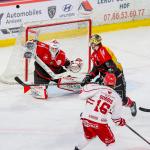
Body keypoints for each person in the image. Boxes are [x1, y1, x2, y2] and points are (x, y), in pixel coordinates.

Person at [81, 34, 137, 116]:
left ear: (96, 43)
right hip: (106, 79)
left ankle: (131, 104)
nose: (91, 45)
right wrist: (89, 76)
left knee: (121, 100)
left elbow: (112, 69)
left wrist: (103, 78)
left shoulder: (103, 51)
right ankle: (90, 112)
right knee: (99, 97)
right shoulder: (94, 54)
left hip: (117, 77)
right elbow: (96, 69)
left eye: (92, 43)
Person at [74, 73, 126, 150]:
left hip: (86, 118)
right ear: (115, 84)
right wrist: (121, 121)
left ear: (104, 81)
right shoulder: (117, 97)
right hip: (100, 123)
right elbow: (116, 119)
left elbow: (81, 95)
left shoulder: (97, 88)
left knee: (89, 137)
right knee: (111, 142)